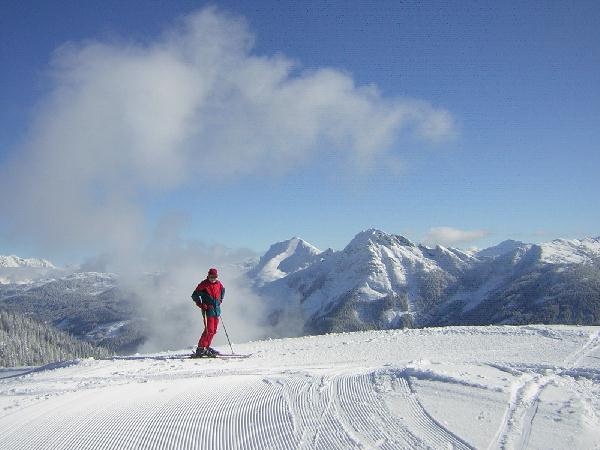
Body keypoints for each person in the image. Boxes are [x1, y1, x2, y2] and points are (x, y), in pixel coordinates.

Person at [191, 268, 225, 357]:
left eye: (215, 277)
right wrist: (201, 304)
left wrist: (220, 300)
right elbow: (194, 295)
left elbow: (223, 290)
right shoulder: (204, 284)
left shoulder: (218, 284)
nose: (213, 279)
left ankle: (206, 346)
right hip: (209, 310)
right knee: (209, 330)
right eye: (211, 277)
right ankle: (201, 349)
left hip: (216, 310)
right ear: (208, 276)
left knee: (213, 331)